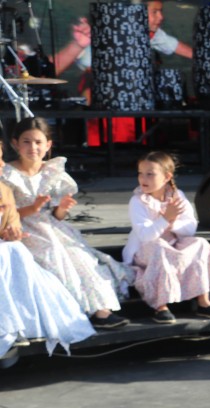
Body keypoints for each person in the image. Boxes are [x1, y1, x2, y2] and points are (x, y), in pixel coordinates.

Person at [1, 118, 134, 329]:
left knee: (80, 256)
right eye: (26, 142)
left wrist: (62, 208)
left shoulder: (52, 172)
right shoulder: (7, 174)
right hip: (24, 226)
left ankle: (101, 310)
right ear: (15, 143)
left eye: (38, 142)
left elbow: (57, 215)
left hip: (52, 226)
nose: (32, 148)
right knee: (53, 253)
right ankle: (73, 310)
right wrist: (32, 209)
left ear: (48, 145)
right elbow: (7, 212)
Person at [123, 152, 210, 323]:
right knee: (159, 246)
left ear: (167, 177)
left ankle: (203, 300)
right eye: (140, 173)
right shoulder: (137, 201)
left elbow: (190, 228)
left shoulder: (177, 196)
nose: (143, 178)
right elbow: (145, 236)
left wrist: (172, 222)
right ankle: (160, 304)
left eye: (150, 174)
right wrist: (165, 219)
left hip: (174, 244)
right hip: (146, 251)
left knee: (200, 243)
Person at [0, 176, 95, 359]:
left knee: (15, 250)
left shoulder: (4, 189)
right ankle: (7, 326)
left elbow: (13, 223)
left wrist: (10, 232)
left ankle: (20, 324)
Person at [54, 1, 192, 77]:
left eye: (161, 12)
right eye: (155, 12)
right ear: (135, 11)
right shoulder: (92, 32)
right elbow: (51, 72)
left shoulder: (151, 34)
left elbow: (186, 51)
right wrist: (77, 45)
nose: (161, 17)